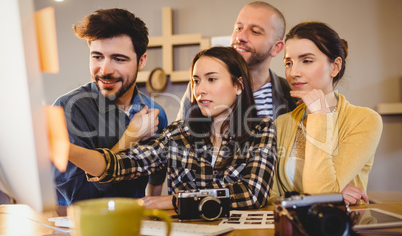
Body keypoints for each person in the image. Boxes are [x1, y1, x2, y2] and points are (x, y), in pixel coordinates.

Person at [67, 46, 277, 210]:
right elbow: (123, 164)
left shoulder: (261, 130)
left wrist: (177, 200)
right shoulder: (179, 134)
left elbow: (252, 193)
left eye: (211, 79)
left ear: (238, 85)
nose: (200, 90)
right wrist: (67, 149)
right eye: (195, 81)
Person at [53, 8, 168, 205]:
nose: (105, 70)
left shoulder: (155, 113)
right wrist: (130, 136)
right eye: (97, 57)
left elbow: (157, 176)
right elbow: (79, 199)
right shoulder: (67, 110)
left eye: (118, 59)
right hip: (81, 232)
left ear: (141, 61)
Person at [269, 22, 383, 205]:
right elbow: (271, 196)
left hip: (340, 228)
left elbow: (319, 192)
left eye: (306, 60)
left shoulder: (364, 120)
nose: (293, 72)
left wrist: (319, 116)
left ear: (335, 67)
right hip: (290, 228)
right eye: (288, 63)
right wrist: (334, 192)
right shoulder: (281, 123)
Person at [176, 1, 297, 121]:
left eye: (255, 31)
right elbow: (181, 135)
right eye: (239, 28)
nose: (240, 37)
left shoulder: (292, 94)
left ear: (276, 48)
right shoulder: (201, 89)